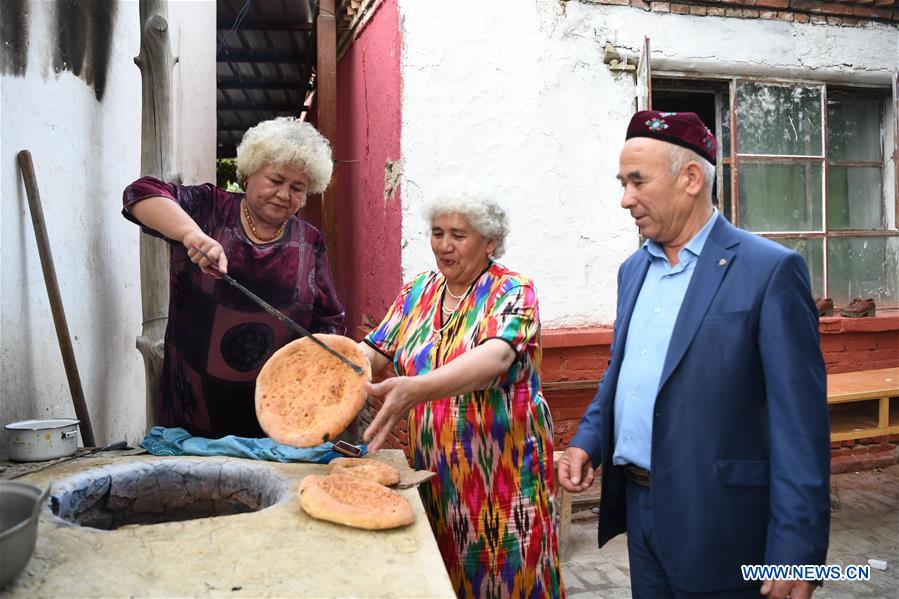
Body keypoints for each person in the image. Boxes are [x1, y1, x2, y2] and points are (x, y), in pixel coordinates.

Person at [558, 111, 830, 599]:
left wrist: (797, 550)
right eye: (621, 183)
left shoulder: (770, 271)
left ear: (689, 179)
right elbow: (624, 373)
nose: (625, 199)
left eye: (637, 181)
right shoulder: (633, 271)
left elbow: (800, 425)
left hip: (723, 522)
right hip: (641, 512)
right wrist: (588, 441)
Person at [359, 197, 564, 598]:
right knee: (439, 577)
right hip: (434, 476)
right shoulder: (418, 290)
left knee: (505, 580)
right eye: (437, 233)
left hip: (502, 479)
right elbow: (374, 350)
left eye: (458, 235)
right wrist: (337, 367)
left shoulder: (512, 289)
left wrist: (416, 388)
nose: (443, 245)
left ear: (489, 242)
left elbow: (497, 357)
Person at [122, 117, 344, 438]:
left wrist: (313, 379)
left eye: (297, 188)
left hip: (275, 415)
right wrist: (192, 236)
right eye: (276, 180)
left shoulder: (309, 241)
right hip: (193, 410)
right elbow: (139, 194)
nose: (284, 194)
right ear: (249, 174)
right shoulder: (211, 209)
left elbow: (330, 321)